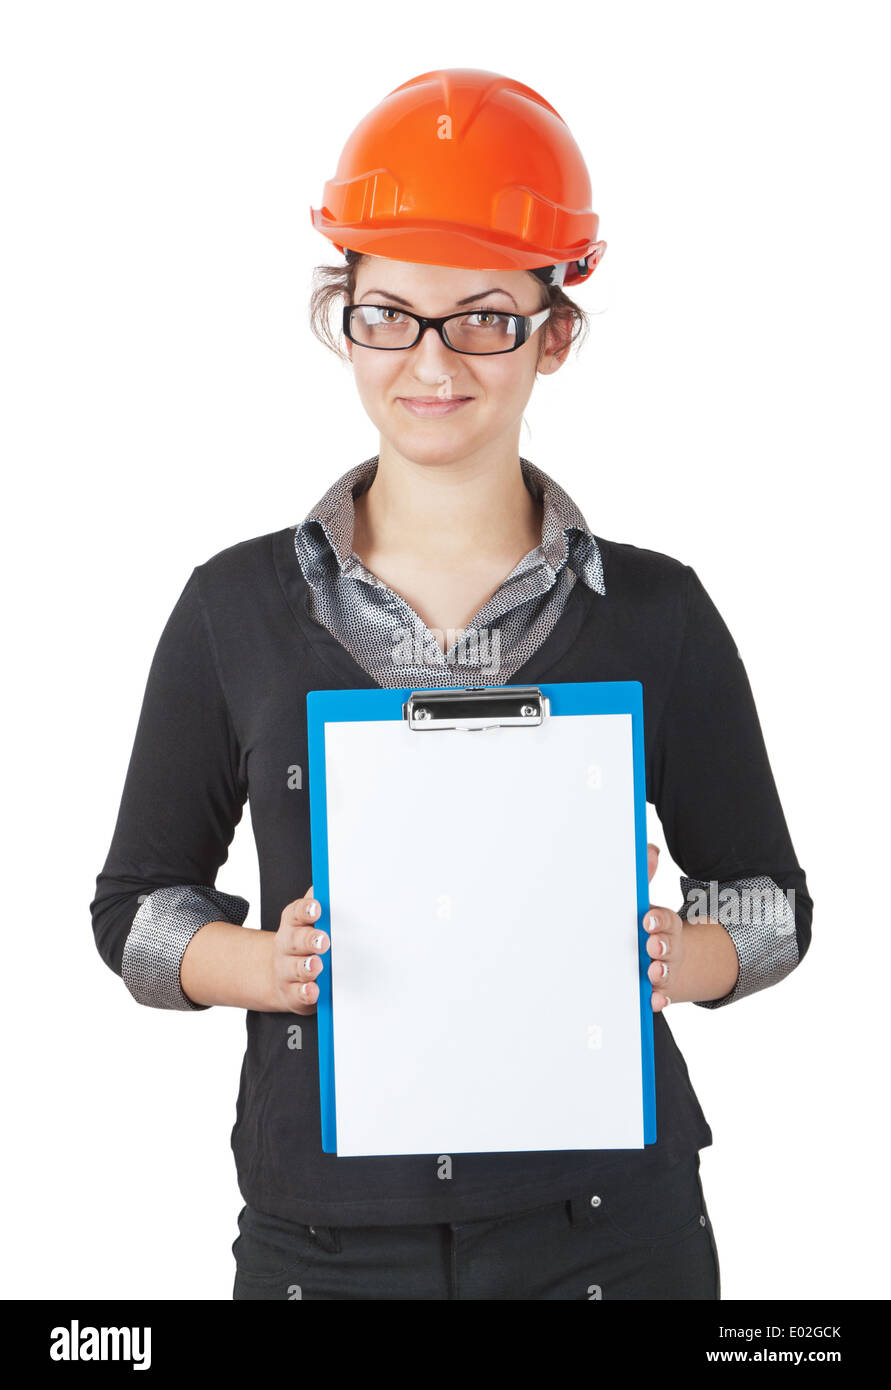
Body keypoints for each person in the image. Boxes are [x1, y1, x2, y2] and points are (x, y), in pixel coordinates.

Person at [90, 67, 813, 1301]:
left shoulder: (655, 612)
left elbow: (775, 908)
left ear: (556, 330)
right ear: (348, 317)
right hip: (321, 1238)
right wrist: (255, 965)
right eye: (389, 314)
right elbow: (135, 910)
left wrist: (678, 956)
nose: (431, 360)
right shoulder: (236, 607)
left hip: (610, 1234)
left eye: (483, 316)